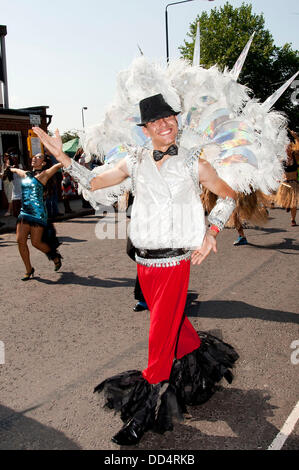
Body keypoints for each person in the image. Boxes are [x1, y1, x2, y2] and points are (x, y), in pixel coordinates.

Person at [33, 93, 239, 445]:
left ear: (177, 122)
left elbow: (229, 195)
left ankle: (143, 413)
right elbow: (96, 182)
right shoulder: (136, 159)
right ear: (146, 130)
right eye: (156, 121)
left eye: (169, 118)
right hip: (144, 263)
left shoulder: (194, 162)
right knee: (173, 325)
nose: (165, 124)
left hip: (175, 263)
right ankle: (202, 364)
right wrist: (61, 156)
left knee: (159, 337)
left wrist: (212, 231)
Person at [8, 153, 63, 280]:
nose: (34, 158)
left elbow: (60, 164)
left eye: (38, 157)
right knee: (20, 241)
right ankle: (29, 269)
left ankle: (54, 256)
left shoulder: (44, 175)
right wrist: (9, 168)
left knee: (36, 243)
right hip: (24, 212)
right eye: (34, 157)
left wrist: (65, 157)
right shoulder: (26, 174)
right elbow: (16, 170)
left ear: (43, 163)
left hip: (38, 214)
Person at [275, 133, 299, 226]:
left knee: (294, 204)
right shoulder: (282, 159)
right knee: (285, 203)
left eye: (289, 147)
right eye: (286, 147)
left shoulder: (296, 156)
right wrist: (277, 178)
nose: (287, 149)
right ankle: (286, 205)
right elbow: (276, 169)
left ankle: (293, 219)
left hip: (294, 184)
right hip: (285, 184)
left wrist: (296, 137)